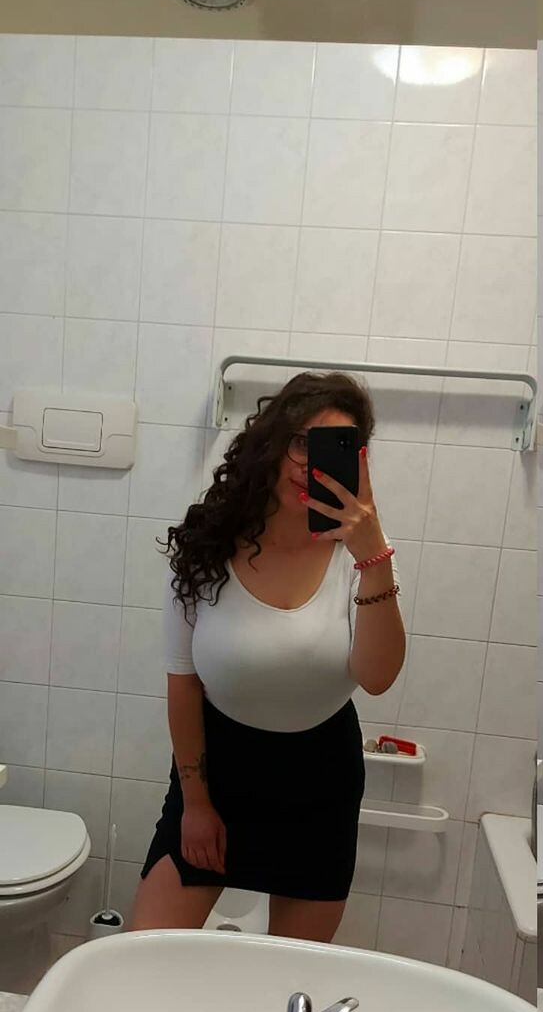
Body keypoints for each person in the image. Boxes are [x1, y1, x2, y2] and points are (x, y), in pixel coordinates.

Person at [130, 371, 406, 942]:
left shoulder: (362, 558)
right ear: (272, 442)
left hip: (319, 781)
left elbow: (377, 678)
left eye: (333, 447)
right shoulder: (208, 547)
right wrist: (196, 804)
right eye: (300, 441)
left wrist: (372, 554)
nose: (309, 462)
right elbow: (183, 683)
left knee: (292, 976)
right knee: (146, 952)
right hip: (217, 769)